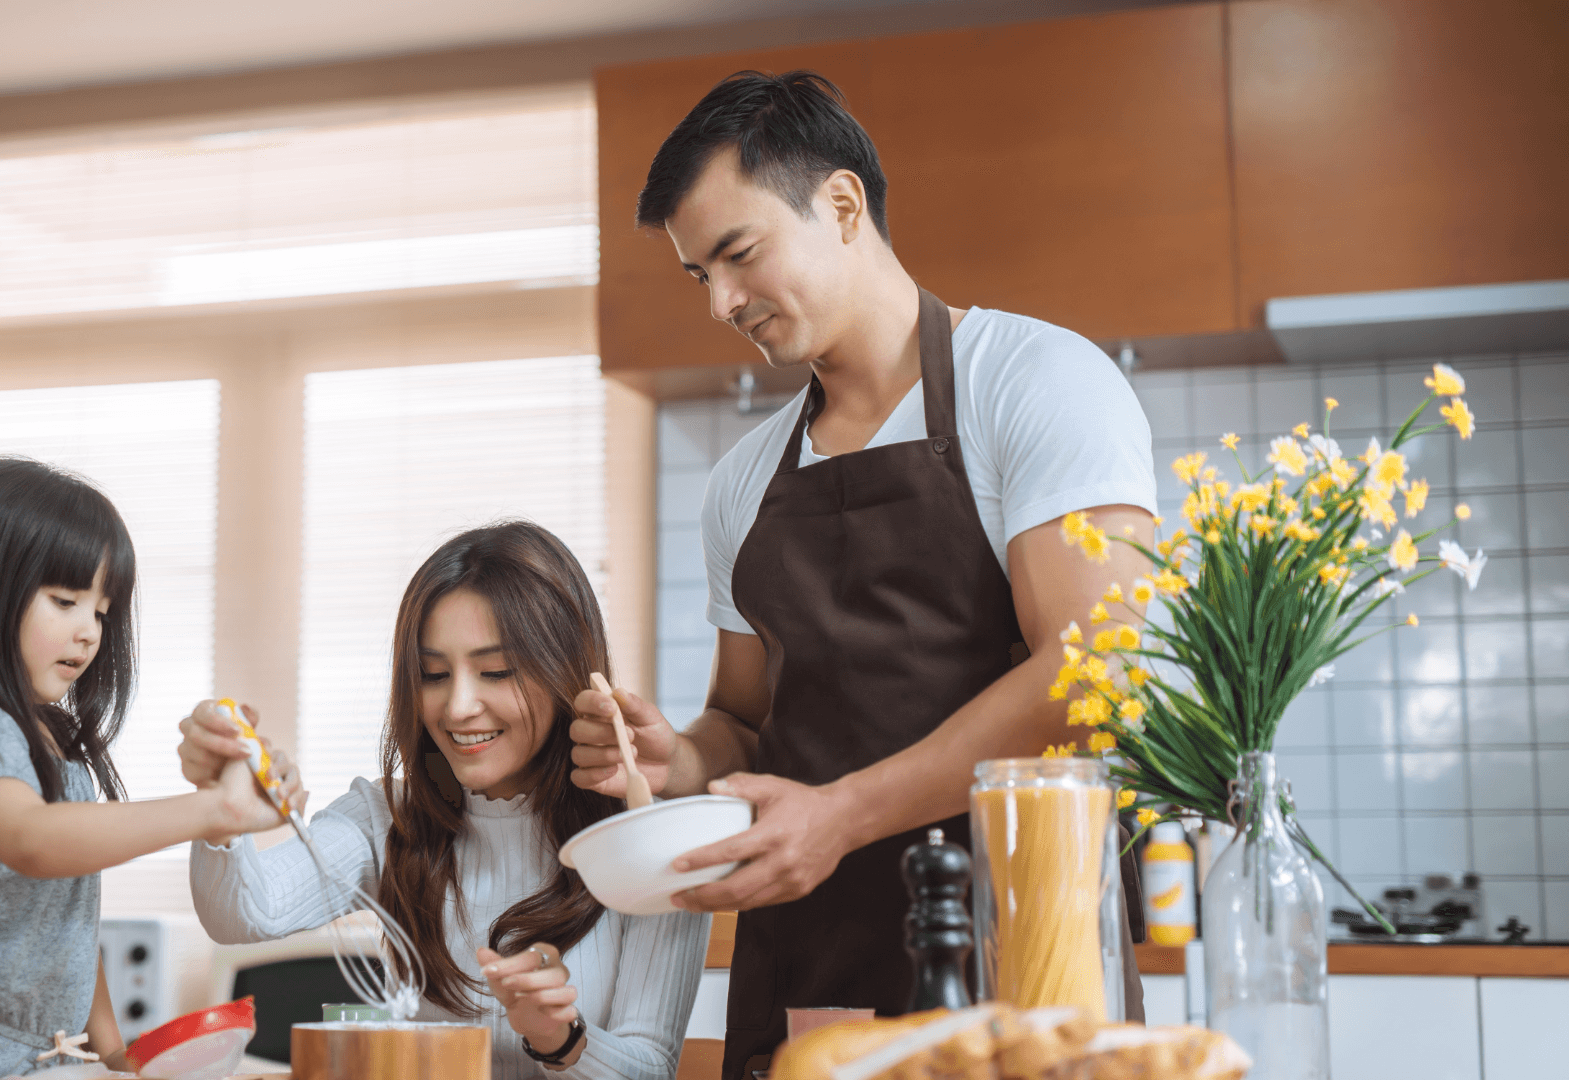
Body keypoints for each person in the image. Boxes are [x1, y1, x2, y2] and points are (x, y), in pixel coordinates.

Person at [568, 71, 1157, 1077]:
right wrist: (679, 762)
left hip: (1014, 955)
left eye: (738, 255)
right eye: (697, 275)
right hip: (807, 972)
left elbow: (1091, 677)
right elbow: (745, 722)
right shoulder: (742, 484)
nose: (720, 302)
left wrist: (838, 816)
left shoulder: (1035, 383)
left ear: (842, 205)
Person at [180, 521, 709, 1080]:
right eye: (433, 674)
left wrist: (560, 1039)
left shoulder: (649, 844)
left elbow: (651, 1069)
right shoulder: (390, 818)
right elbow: (241, 913)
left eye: (495, 672)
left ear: (563, 671)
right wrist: (221, 807)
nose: (457, 707)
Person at [0, 457, 282, 1079]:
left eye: (101, 612)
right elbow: (31, 842)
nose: (89, 632)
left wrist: (113, 1056)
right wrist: (214, 809)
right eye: (65, 600)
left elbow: (67, 936)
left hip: (36, 1057)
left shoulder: (60, 749)